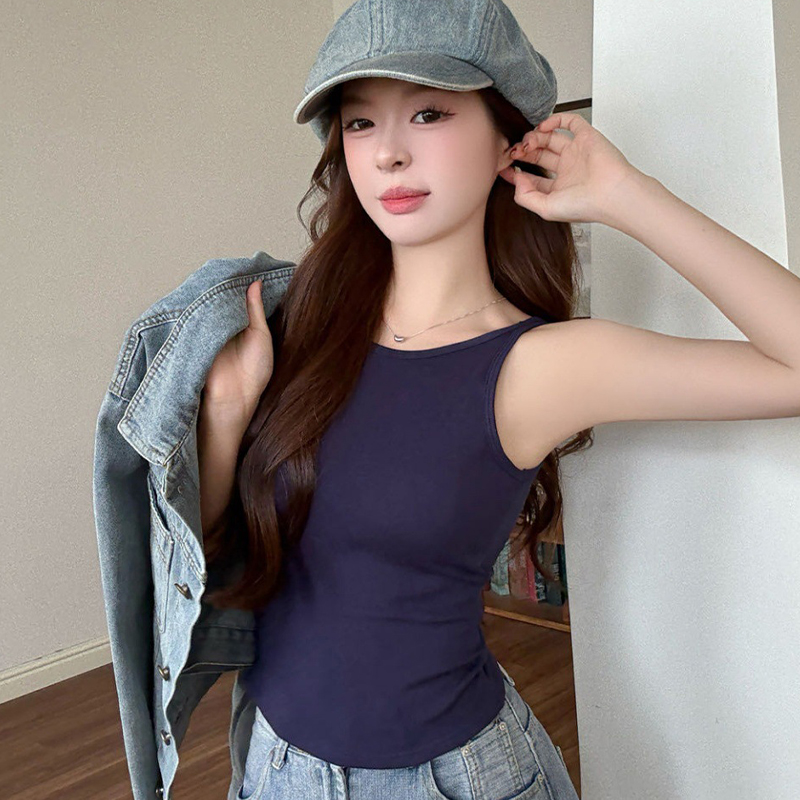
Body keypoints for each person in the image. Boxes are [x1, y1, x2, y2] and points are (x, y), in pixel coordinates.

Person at [197, 1, 800, 799]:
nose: (390, 153)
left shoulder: (538, 366)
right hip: (270, 761)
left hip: (440, 780)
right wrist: (226, 414)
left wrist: (627, 195)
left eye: (429, 113)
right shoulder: (297, 325)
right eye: (360, 123)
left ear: (505, 139)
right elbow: (209, 550)